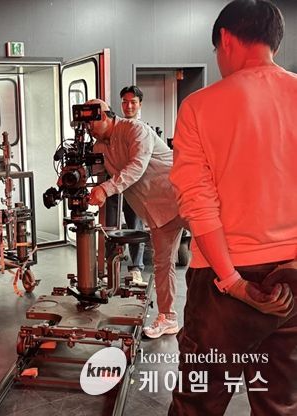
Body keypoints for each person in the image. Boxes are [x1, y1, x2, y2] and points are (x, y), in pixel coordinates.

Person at [169, 1, 296, 414]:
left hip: (222, 278)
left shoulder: (199, 106)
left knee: (198, 403)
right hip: (293, 276)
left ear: (225, 39)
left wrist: (233, 281)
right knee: (281, 403)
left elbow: (198, 202)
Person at [86, 98, 185, 339]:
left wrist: (105, 189)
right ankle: (168, 318)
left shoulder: (135, 129)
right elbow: (95, 170)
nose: (88, 128)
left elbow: (136, 166)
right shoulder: (99, 146)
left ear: (105, 116)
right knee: (163, 265)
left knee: (212, 257)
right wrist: (75, 174)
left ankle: (232, 310)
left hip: (182, 197)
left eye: (91, 122)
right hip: (157, 213)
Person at [105, 86, 147, 280]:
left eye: (133, 102)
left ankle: (136, 268)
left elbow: (138, 164)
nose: (128, 106)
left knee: (135, 226)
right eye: (125, 102)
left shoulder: (141, 130)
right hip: (112, 185)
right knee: (109, 227)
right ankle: (110, 267)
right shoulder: (114, 129)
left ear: (140, 104)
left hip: (134, 187)